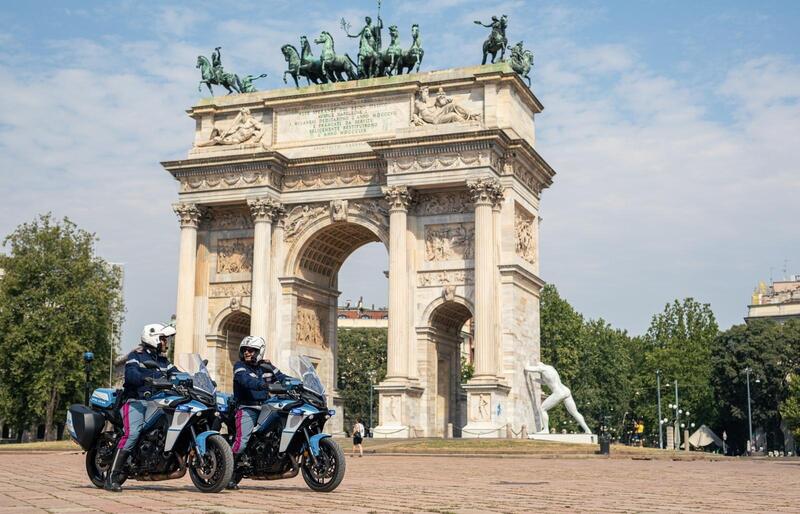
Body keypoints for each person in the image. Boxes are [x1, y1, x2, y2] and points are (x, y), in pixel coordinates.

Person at [106, 323, 177, 492]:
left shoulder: (163, 360)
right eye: (163, 339)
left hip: (156, 402)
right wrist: (145, 379)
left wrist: (193, 379)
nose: (166, 342)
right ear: (153, 338)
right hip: (135, 401)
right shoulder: (136, 356)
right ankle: (112, 476)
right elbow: (131, 374)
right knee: (133, 433)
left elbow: (176, 373)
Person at [228, 335, 287, 489]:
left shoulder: (267, 367)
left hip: (266, 406)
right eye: (245, 350)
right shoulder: (240, 366)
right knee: (242, 442)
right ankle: (228, 472)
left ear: (259, 351)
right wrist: (264, 386)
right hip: (247, 407)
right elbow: (245, 381)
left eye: (251, 350)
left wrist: (298, 384)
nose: (247, 352)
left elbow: (283, 378)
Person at [524, 361, 592, 434]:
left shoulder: (542, 368)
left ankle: (546, 429)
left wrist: (527, 362)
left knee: (542, 409)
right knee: (575, 412)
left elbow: (527, 368)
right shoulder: (551, 369)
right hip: (566, 390)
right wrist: (534, 380)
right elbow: (545, 382)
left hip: (558, 393)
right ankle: (587, 429)